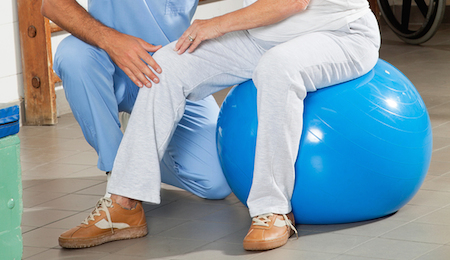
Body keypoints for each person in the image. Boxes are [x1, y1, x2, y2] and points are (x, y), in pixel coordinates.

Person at [54, 0, 381, 251]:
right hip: (266, 35)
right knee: (168, 64)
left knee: (276, 68)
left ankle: (273, 211)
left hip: (339, 32)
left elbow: (292, 2)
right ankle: (123, 205)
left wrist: (217, 24)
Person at [40, 0, 232, 248]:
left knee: (216, 184)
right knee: (73, 55)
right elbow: (52, 5)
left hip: (170, 72)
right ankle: (120, 191)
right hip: (108, 61)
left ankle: (136, 149)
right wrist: (112, 41)